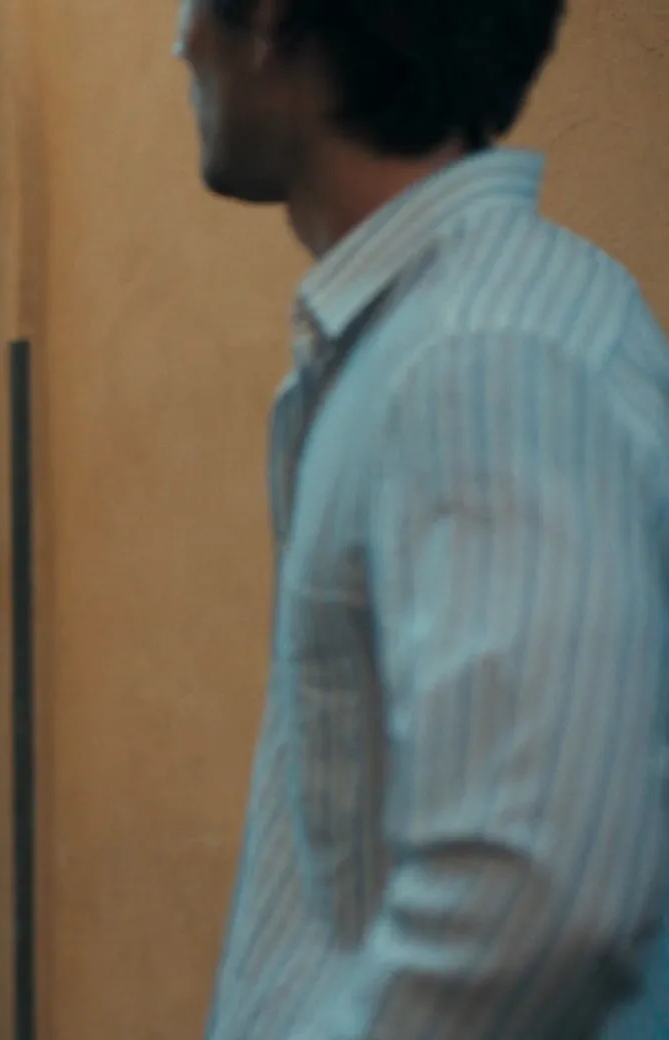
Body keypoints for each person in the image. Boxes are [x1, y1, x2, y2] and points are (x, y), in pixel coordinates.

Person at [175, 0, 669, 1035]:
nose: (181, 42)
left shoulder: (481, 355)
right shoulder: (455, 329)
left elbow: (529, 900)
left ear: (272, 24)